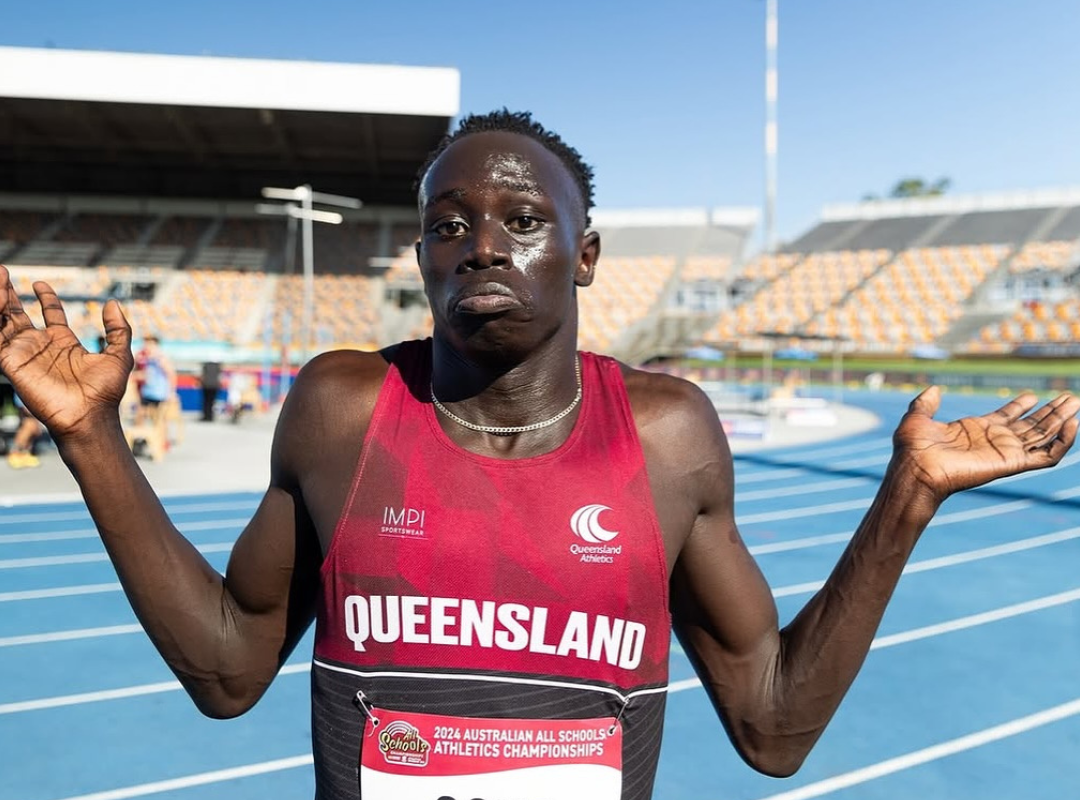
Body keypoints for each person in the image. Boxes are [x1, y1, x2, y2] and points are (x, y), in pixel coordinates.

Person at [0, 110, 1078, 800]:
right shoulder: (342, 407)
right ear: (421, 252)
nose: (481, 243)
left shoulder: (667, 435)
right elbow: (231, 671)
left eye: (521, 217)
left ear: (587, 255)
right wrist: (91, 436)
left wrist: (908, 496)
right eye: (447, 222)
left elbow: (772, 724)